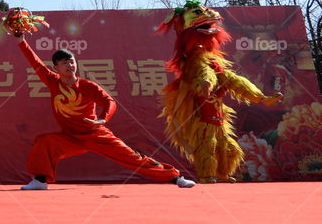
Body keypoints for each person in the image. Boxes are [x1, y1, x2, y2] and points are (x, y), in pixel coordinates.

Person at [13, 32, 195, 190]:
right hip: (70, 137)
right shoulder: (52, 81)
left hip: (95, 134)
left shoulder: (88, 86)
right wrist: (21, 41)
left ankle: (176, 177)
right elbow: (34, 62)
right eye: (64, 63)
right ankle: (40, 180)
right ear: (56, 68)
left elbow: (109, 101)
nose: (70, 66)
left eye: (72, 62)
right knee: (44, 142)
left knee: (133, 158)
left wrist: (102, 119)